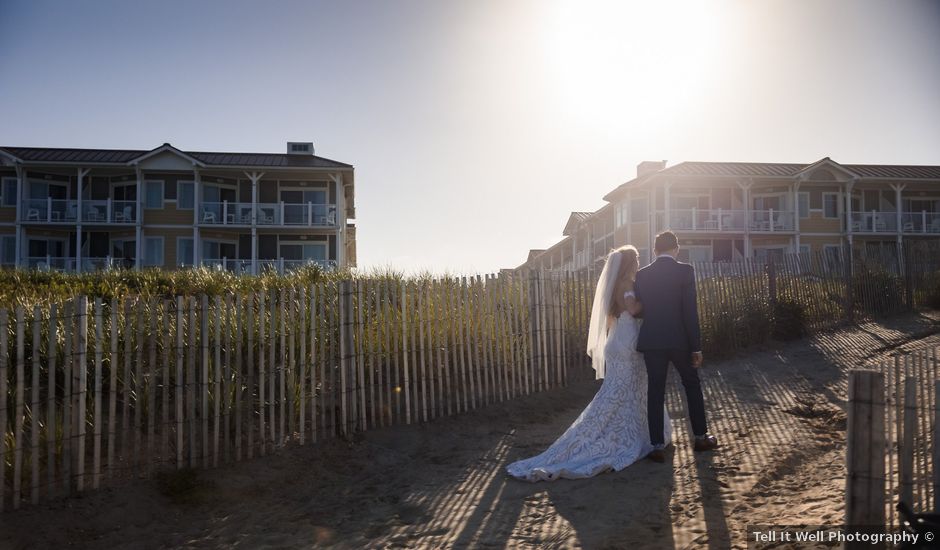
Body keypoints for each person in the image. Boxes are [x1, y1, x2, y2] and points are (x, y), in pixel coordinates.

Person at [506, 245, 671, 481]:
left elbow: (615, 315)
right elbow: (633, 309)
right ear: (629, 264)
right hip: (628, 341)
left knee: (617, 391)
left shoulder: (613, 286)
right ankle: (636, 436)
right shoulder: (626, 283)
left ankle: (629, 432)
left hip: (616, 340)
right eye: (635, 259)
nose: (638, 263)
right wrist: (653, 300)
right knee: (634, 387)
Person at [634, 231, 718, 463]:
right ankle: (700, 437)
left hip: (652, 340)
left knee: (655, 391)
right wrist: (696, 347)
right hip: (680, 340)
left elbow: (641, 310)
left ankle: (657, 445)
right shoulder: (685, 271)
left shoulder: (642, 275)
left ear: (655, 250)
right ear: (676, 249)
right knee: (691, 385)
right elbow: (689, 311)